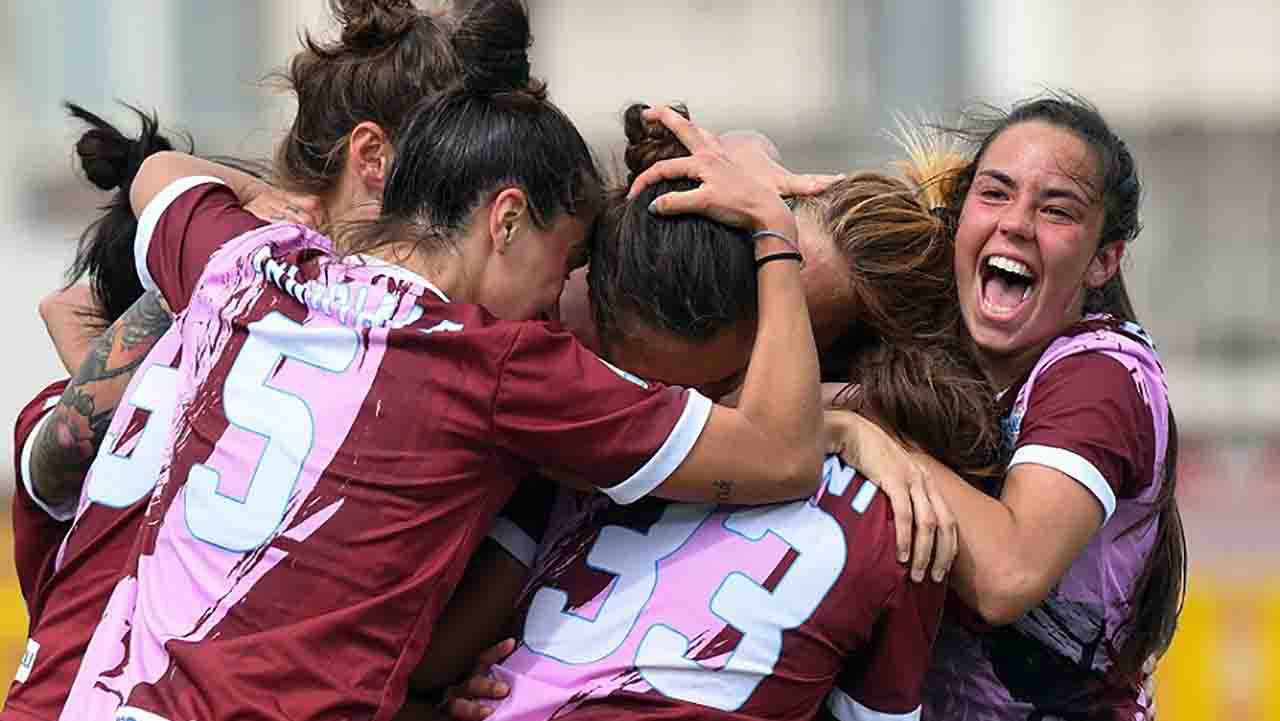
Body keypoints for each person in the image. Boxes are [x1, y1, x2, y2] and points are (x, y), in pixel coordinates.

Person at [59, 13, 826, 719]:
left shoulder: (251, 260)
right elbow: (781, 452)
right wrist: (772, 230)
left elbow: (157, 175)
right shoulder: (497, 362)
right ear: (508, 219)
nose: (558, 302)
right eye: (563, 264)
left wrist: (274, 210)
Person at [12, 2, 497, 718]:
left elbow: (61, 388)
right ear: (375, 161)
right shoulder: (408, 358)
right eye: (465, 174)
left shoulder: (205, 300)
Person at [436, 111, 999, 721]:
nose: (752, 295)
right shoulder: (503, 304)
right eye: (759, 258)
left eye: (784, 333)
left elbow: (1008, 571)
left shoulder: (654, 448)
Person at [830, 93, 1186, 719]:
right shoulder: (932, 350)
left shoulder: (1104, 373)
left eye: (1056, 209)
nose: (1017, 222)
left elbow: (1007, 575)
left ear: (1103, 260)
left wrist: (864, 434)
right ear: (959, 216)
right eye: (994, 194)